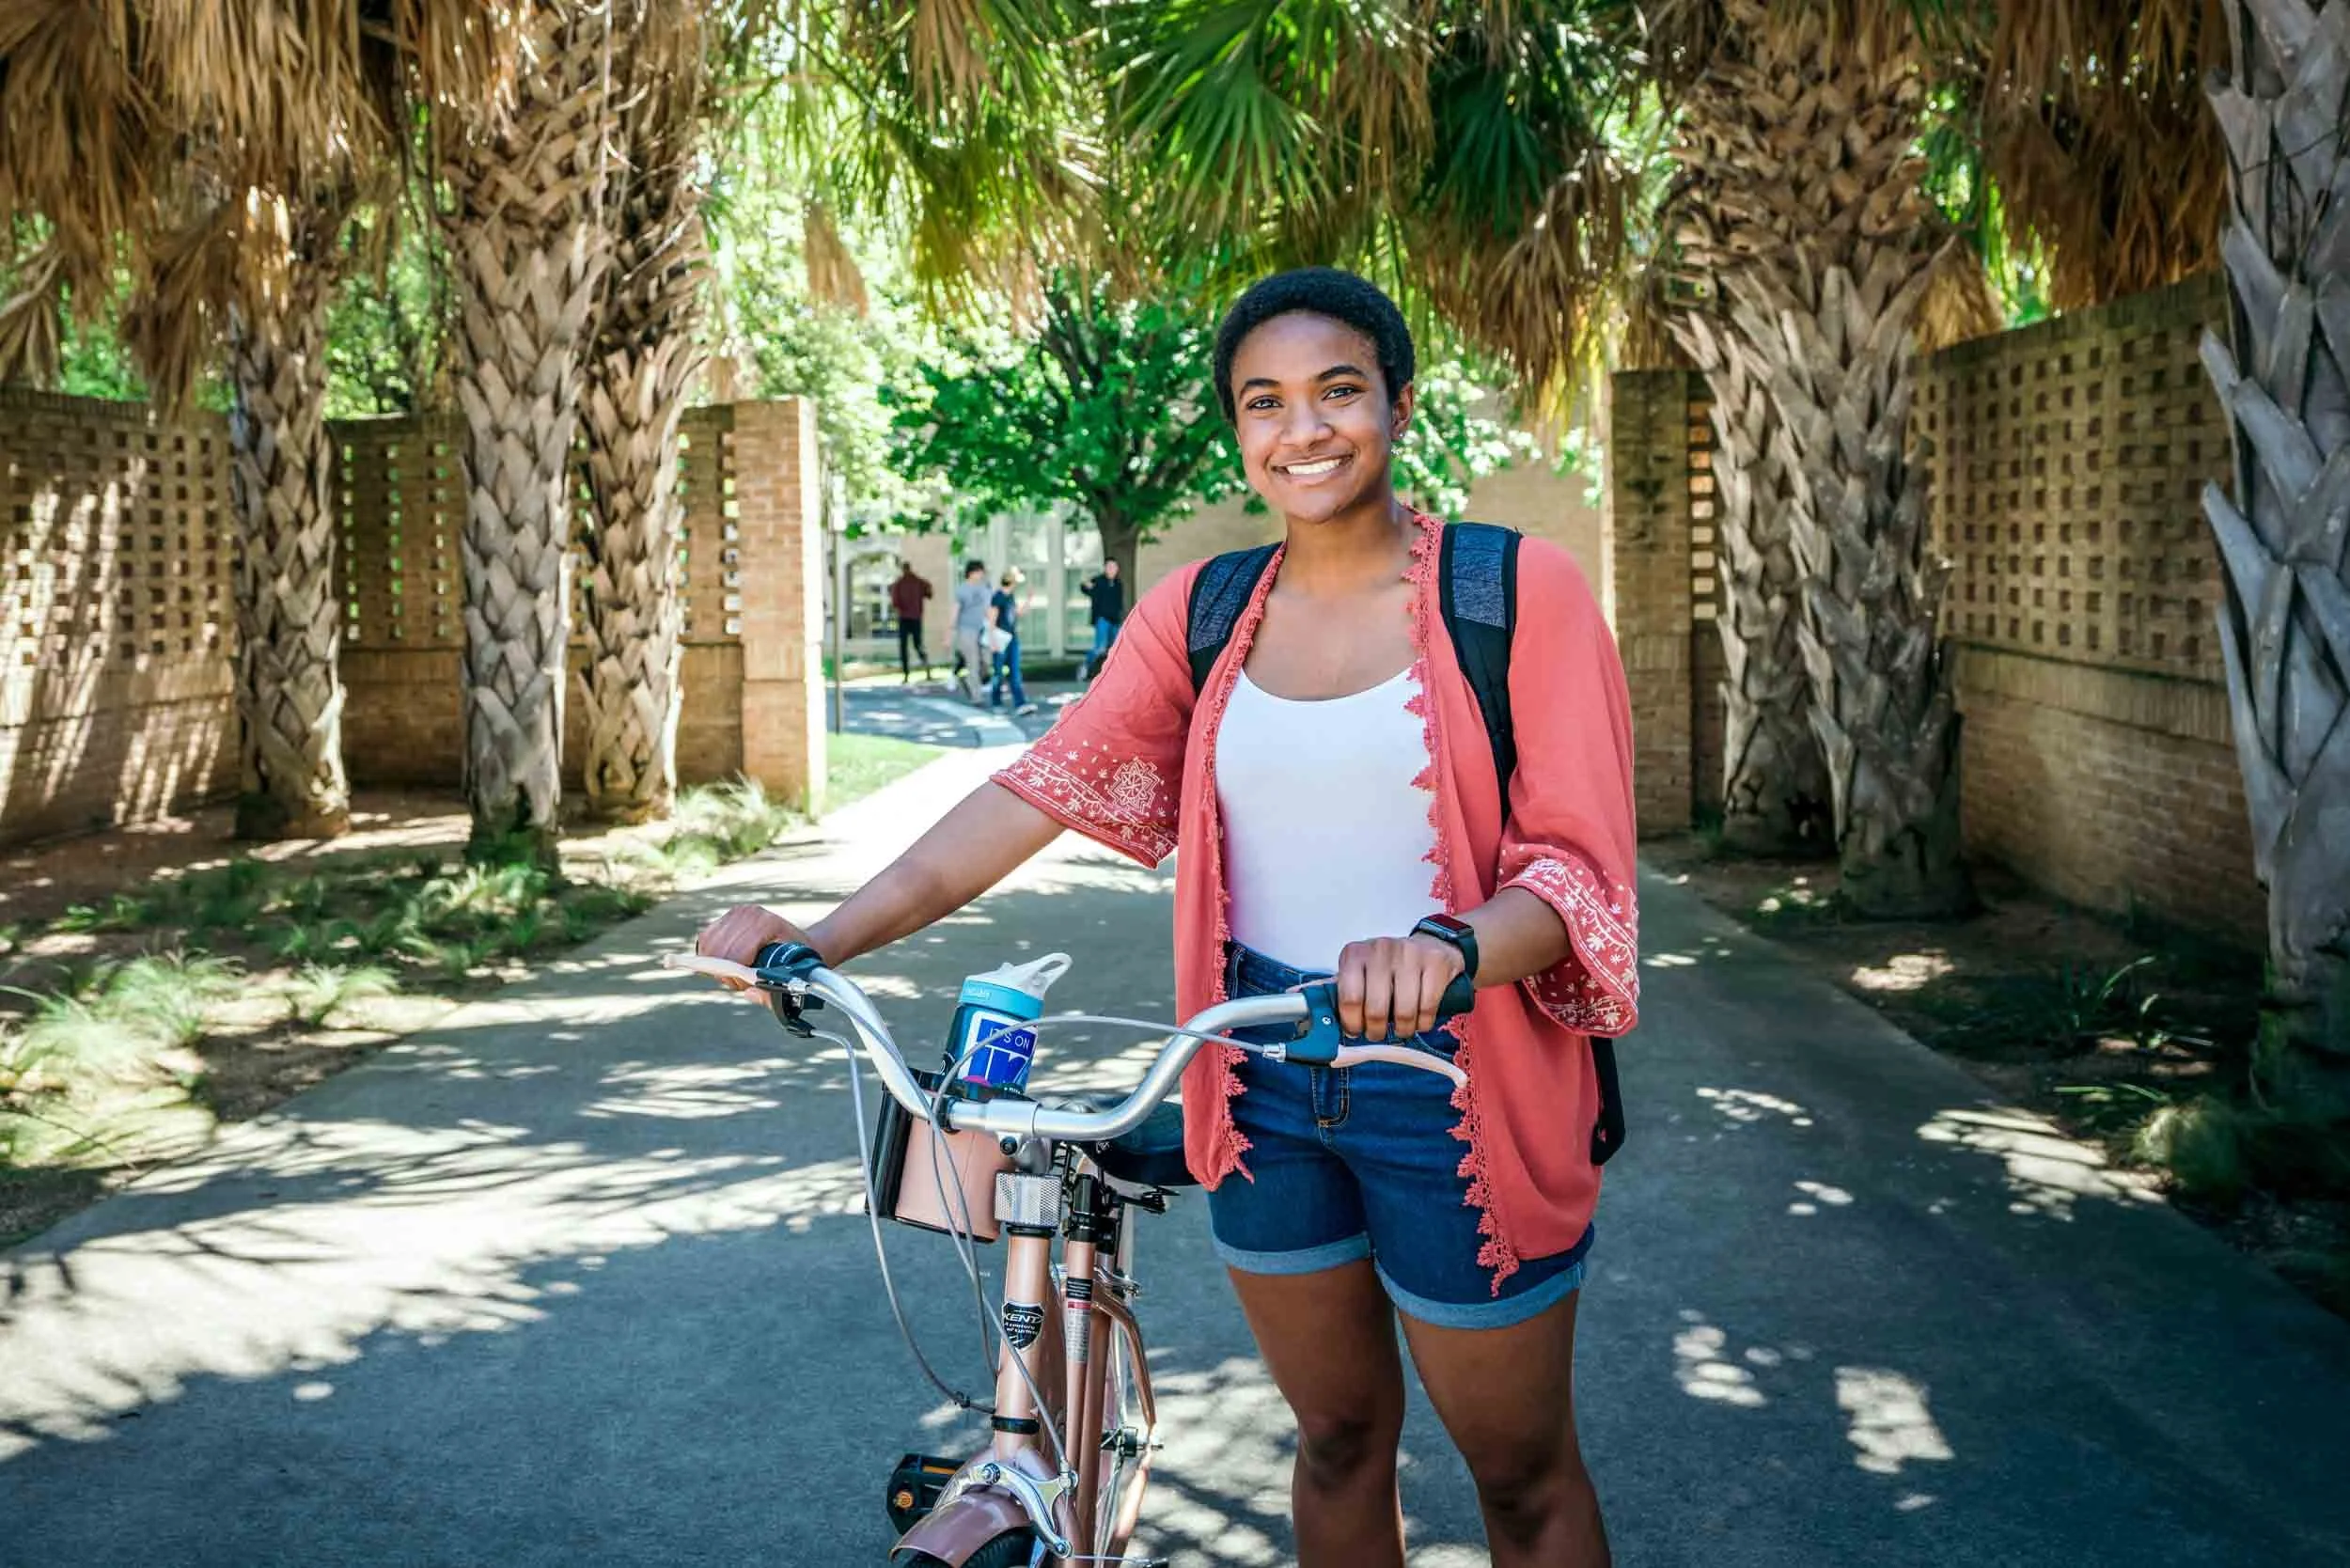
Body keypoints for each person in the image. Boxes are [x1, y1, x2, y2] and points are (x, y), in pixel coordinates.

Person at [697, 267, 1637, 1568]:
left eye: (1337, 392)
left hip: (1457, 1084)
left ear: (1399, 405)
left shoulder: (1513, 592)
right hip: (1255, 1079)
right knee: (1338, 1441)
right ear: (1238, 428)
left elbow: (1578, 875)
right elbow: (1033, 793)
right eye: (1264, 402)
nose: (1301, 429)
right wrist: (822, 936)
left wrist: (1446, 950)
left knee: (1522, 1476)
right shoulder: (1203, 617)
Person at [990, 566, 1038, 717]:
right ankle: (996, 702)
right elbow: (991, 621)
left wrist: (1029, 599)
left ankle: (1020, 703)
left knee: (1015, 672)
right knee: (998, 673)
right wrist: (993, 642)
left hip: (1012, 639)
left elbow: (1018, 613)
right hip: (1000, 639)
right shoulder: (997, 596)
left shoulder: (1011, 596)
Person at [950, 560, 992, 704]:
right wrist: (949, 632)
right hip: (966, 631)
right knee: (972, 663)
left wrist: (993, 628)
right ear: (972, 572)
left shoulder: (985, 589)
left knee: (987, 661)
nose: (982, 575)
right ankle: (976, 697)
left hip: (983, 630)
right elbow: (955, 612)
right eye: (980, 572)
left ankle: (969, 681)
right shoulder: (962, 590)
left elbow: (989, 611)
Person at [1079, 557, 1125, 682]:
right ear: (1105, 568)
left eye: (1114, 567)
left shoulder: (1118, 584)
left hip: (1115, 620)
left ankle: (1111, 675)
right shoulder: (1099, 581)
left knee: (1115, 649)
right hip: (1102, 619)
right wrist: (1085, 585)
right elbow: (1085, 588)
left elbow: (1119, 603)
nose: (1111, 570)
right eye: (1109, 567)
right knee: (1100, 648)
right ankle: (1085, 667)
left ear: (1117, 569)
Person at [888, 560, 932, 683]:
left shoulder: (900, 583)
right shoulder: (918, 581)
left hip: (904, 618)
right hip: (916, 617)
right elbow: (929, 591)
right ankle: (927, 668)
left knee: (903, 647)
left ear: (903, 569)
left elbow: (895, 602)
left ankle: (906, 674)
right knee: (918, 644)